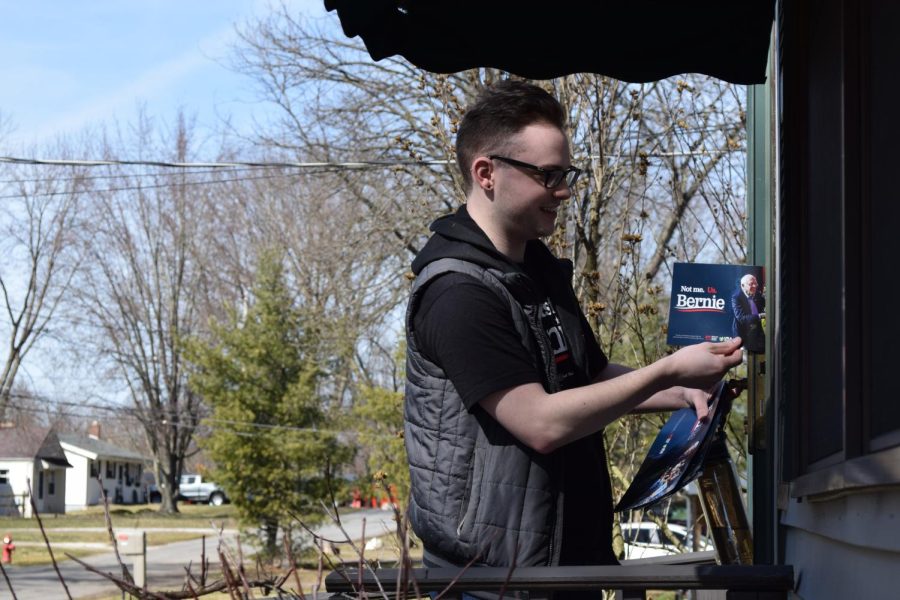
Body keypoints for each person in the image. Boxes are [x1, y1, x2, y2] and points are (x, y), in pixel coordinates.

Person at [404, 81, 742, 579]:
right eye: (548, 175)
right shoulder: (457, 293)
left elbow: (594, 376)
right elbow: (541, 423)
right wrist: (668, 368)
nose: (563, 191)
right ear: (486, 173)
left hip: (569, 568)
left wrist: (683, 390)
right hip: (494, 582)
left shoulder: (538, 271)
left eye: (566, 174)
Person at [731, 273, 766, 353]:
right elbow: (741, 318)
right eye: (751, 284)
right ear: (742, 285)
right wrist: (760, 316)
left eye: (755, 283)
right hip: (744, 336)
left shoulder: (758, 294)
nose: (754, 286)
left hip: (758, 333)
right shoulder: (736, 297)